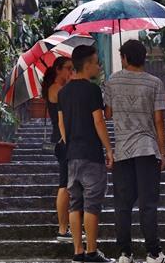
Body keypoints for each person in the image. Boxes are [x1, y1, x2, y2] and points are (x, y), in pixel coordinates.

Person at [104, 40, 165, 263]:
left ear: (124, 58)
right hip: (147, 149)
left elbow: (107, 114)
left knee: (122, 205)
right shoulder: (155, 83)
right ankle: (154, 254)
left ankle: (125, 254)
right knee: (148, 204)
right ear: (143, 57)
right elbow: (158, 121)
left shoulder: (112, 81)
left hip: (122, 151)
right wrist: (163, 152)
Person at [58, 45, 114, 263]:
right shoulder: (92, 90)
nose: (99, 66)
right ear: (87, 64)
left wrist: (69, 143)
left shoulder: (63, 92)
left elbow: (62, 124)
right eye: (97, 62)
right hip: (91, 154)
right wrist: (109, 149)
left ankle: (78, 252)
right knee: (92, 204)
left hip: (72, 155)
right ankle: (92, 252)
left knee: (76, 203)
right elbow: (99, 121)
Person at [43, 56, 75, 242]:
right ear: (58, 69)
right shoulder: (57, 89)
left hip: (63, 140)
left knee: (68, 184)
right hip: (62, 141)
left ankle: (67, 227)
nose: (70, 71)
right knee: (64, 185)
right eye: (68, 68)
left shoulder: (59, 88)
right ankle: (63, 229)